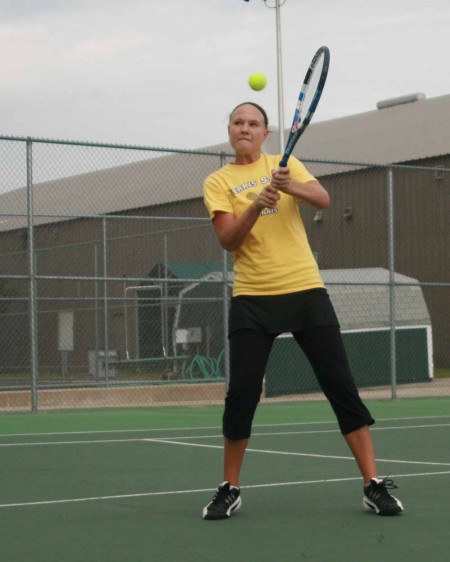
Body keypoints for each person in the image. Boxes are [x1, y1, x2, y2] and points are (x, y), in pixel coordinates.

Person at [201, 102, 404, 520]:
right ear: (229, 130)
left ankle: (372, 484)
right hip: (252, 300)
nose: (245, 128)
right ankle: (229, 488)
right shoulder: (218, 181)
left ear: (265, 132)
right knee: (241, 394)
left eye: (253, 123)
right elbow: (228, 240)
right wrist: (257, 203)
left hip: (306, 291)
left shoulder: (284, 164)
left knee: (340, 386)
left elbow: (323, 199)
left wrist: (289, 186)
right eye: (238, 122)